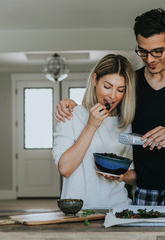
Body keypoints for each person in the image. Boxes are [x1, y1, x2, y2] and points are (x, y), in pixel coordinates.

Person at [54, 8, 165, 207]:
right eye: (143, 51)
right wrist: (71, 104)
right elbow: (106, 102)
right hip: (146, 192)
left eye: (157, 51)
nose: (150, 59)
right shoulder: (131, 84)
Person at [52, 54, 136, 209]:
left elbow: (134, 176)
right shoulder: (70, 115)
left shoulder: (126, 123)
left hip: (118, 208)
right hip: (78, 210)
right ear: (95, 79)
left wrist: (120, 176)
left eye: (120, 90)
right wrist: (91, 126)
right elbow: (65, 169)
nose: (112, 96)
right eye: (107, 86)